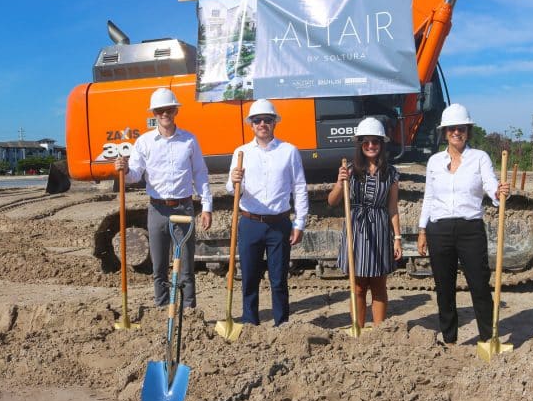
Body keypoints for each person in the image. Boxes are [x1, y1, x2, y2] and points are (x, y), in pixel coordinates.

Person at [417, 103, 510, 344]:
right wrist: (422, 229)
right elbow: (429, 197)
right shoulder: (434, 162)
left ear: (468, 131)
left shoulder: (479, 158)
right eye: (451, 129)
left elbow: (490, 185)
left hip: (470, 230)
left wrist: (498, 192)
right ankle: (449, 338)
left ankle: (488, 338)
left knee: (479, 285)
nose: (456, 132)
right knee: (444, 288)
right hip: (439, 230)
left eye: (461, 128)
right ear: (444, 132)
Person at [114, 87, 212, 309]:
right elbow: (135, 175)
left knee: (186, 265)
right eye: (159, 111)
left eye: (168, 109)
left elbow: (200, 174)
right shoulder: (145, 143)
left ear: (175, 111)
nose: (164, 114)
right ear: (154, 114)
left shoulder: (189, 140)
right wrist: (124, 169)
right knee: (159, 266)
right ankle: (161, 308)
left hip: (184, 208)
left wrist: (207, 206)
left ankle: (188, 312)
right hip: (157, 210)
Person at [227, 99, 308, 327]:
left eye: (267, 120)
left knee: (278, 278)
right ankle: (250, 322)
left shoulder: (289, 151)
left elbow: (299, 187)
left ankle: (281, 323)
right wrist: (235, 182)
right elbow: (232, 190)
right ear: (251, 125)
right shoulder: (241, 152)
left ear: (274, 123)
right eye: (257, 120)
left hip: (279, 223)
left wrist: (299, 222)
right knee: (249, 278)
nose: (262, 124)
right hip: (250, 222)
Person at [327, 117, 403, 327]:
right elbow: (332, 201)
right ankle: (357, 329)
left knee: (379, 285)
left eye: (375, 141)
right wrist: (339, 183)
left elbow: (393, 208)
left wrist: (397, 238)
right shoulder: (349, 170)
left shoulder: (392, 173)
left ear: (382, 144)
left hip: (379, 229)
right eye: (366, 142)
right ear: (360, 144)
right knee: (358, 286)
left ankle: (379, 332)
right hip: (356, 230)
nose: (371, 146)